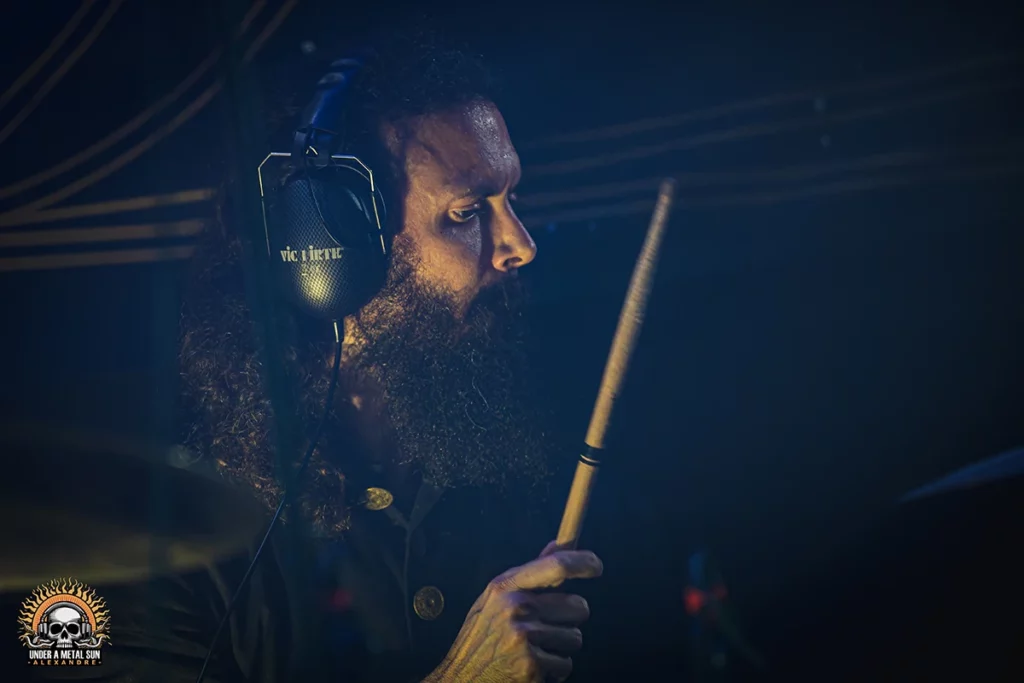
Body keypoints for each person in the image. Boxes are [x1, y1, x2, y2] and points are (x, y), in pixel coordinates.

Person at [173, 28, 603, 682]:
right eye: (466, 213)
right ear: (338, 240)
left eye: (509, 198)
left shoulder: (521, 440)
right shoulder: (166, 524)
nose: (520, 244)